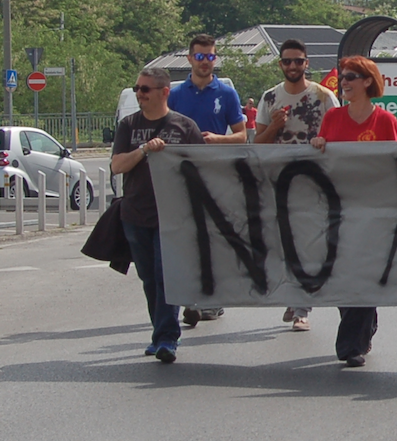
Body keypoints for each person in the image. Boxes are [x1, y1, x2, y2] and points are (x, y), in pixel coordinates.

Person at [310, 57, 397, 367]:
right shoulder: (333, 118)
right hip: (337, 210)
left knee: (364, 272)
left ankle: (352, 344)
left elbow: (393, 165)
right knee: (342, 275)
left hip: (372, 210)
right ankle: (363, 324)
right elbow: (322, 161)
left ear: (367, 81)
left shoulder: (385, 121)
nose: (344, 82)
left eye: (351, 77)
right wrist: (318, 144)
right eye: (343, 77)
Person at [110, 67, 205, 363]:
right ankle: (159, 332)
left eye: (145, 89)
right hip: (136, 214)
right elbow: (117, 165)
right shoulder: (129, 125)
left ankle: (167, 338)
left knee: (167, 277)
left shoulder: (184, 126)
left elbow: (201, 167)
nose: (140, 94)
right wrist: (144, 150)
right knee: (149, 278)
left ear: (164, 92)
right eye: (138, 89)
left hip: (172, 215)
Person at [255, 39, 340, 332]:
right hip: (278, 181)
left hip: (316, 182)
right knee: (282, 243)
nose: (292, 66)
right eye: (287, 61)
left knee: (308, 244)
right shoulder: (269, 98)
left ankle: (303, 307)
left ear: (306, 64)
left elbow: (338, 137)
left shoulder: (324, 96)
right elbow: (258, 144)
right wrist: (276, 126)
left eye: (298, 61)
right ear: (280, 64)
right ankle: (293, 295)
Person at [169, 33, 246, 327]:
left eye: (210, 56)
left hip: (216, 175)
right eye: (200, 56)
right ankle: (190, 296)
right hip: (183, 176)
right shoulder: (175, 95)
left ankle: (213, 299)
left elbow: (241, 135)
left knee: (215, 237)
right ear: (190, 59)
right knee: (186, 237)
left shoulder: (225, 94)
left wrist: (218, 140)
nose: (205, 62)